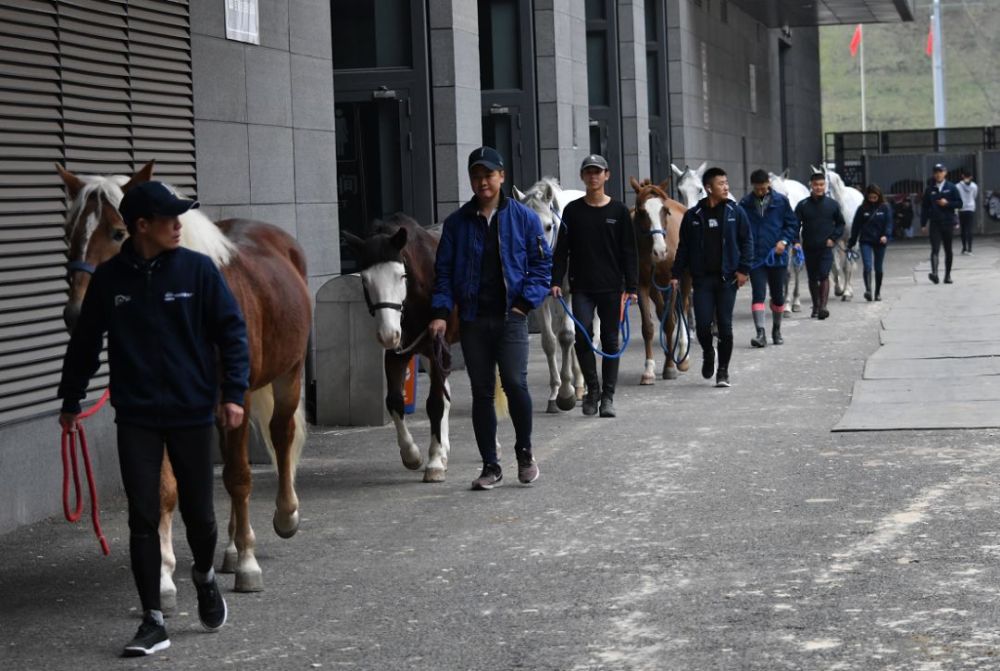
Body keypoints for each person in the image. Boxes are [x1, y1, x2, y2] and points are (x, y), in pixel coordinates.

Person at [57, 182, 249, 657]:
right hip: (137, 416)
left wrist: (234, 394)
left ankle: (203, 576)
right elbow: (84, 345)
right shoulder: (110, 281)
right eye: (171, 219)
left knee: (200, 518)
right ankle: (153, 619)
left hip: (190, 412)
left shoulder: (199, 271)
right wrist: (70, 400)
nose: (180, 225)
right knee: (143, 518)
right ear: (142, 226)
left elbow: (232, 332)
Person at [429, 147, 551, 490]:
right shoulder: (456, 224)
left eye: (489, 175)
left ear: (502, 177)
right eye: (476, 176)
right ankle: (490, 466)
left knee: (514, 383)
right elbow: (444, 273)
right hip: (472, 319)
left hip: (511, 317)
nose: (483, 182)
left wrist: (525, 304)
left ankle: (524, 453)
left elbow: (543, 266)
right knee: (481, 392)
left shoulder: (524, 219)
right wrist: (440, 313)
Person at [550, 154, 638, 418]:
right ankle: (593, 390)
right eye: (588, 172)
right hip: (582, 288)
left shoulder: (619, 211)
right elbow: (561, 251)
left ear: (606, 175)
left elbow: (629, 252)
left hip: (612, 288)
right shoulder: (573, 211)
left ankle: (608, 397)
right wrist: (556, 281)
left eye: (597, 172)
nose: (593, 176)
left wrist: (631, 287)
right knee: (583, 338)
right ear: (582, 177)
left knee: (611, 341)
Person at [670, 167, 752, 388]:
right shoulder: (693, 216)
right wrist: (675, 274)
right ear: (708, 188)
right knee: (704, 326)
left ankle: (723, 371)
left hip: (728, 279)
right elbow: (683, 247)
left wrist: (744, 269)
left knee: (725, 326)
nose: (726, 187)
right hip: (702, 280)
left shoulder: (736, 212)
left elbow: (747, 241)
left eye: (726, 183)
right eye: (721, 184)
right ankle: (708, 352)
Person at [738, 169, 799, 348]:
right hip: (756, 258)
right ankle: (760, 333)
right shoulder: (745, 204)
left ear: (769, 184)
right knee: (758, 294)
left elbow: (792, 224)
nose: (761, 192)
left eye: (764, 188)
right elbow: (741, 230)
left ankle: (776, 330)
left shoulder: (781, 202)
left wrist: (785, 240)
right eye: (757, 189)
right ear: (753, 186)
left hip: (777, 257)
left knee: (778, 297)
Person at [795, 172, 845, 320]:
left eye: (821, 185)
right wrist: (795, 241)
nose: (818, 187)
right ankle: (816, 306)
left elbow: (840, 224)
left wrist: (833, 238)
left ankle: (823, 307)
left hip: (826, 247)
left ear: (825, 185)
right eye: (816, 185)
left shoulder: (832, 205)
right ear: (811, 185)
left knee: (824, 275)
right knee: (812, 278)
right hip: (809, 247)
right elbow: (794, 225)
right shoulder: (802, 205)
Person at [847, 184, 893, 302]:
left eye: (875, 197)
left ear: (879, 196)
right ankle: (868, 290)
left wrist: (886, 235)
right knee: (867, 266)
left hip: (880, 241)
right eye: (870, 197)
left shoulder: (885, 207)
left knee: (878, 267)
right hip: (866, 240)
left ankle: (877, 292)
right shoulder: (862, 209)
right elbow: (856, 226)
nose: (872, 200)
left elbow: (889, 223)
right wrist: (851, 242)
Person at [920, 163, 962, 284]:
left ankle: (947, 275)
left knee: (948, 250)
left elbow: (959, 203)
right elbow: (924, 208)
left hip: (948, 222)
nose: (938, 174)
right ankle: (934, 273)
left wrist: (947, 203)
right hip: (935, 223)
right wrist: (923, 224)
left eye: (940, 171)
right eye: (936, 172)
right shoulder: (929, 189)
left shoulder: (952, 187)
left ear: (945, 173)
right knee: (935, 248)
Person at [956, 169, 978, 255]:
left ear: (962, 176)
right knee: (969, 229)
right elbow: (974, 196)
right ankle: (970, 249)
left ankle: (964, 248)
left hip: (961, 209)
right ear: (971, 177)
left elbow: (956, 197)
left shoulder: (957, 186)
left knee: (963, 229)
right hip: (970, 209)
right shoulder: (974, 186)